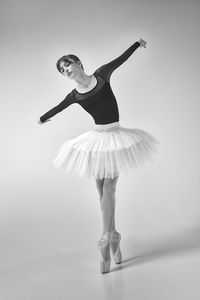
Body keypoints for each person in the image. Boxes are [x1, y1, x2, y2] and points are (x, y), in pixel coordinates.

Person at [38, 38, 158, 274]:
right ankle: (115, 236)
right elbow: (58, 108)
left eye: (67, 65)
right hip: (97, 139)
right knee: (100, 189)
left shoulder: (102, 75)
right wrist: (43, 117)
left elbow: (121, 60)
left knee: (110, 188)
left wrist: (137, 44)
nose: (66, 70)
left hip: (115, 137)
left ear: (78, 62)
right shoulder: (74, 95)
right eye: (63, 70)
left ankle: (105, 239)